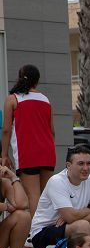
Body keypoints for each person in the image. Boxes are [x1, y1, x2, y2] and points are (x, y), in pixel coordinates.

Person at [29, 145, 90, 248]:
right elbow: (71, 217)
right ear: (68, 166)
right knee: (82, 225)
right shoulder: (57, 181)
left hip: (71, 227)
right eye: (81, 164)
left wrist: (73, 217)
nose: (86, 168)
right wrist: (87, 210)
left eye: (88, 163)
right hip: (43, 233)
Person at [2, 64, 56, 217]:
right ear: (37, 81)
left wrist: (4, 155)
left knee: (33, 194)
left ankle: (34, 231)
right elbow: (52, 130)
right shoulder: (45, 99)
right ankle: (45, 230)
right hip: (47, 151)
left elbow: (6, 129)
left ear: (19, 78)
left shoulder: (13, 99)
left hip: (28, 152)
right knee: (46, 195)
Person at [0, 164, 31, 248]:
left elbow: (22, 204)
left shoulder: (3, 183)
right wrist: (5, 206)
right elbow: (8, 206)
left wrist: (13, 178)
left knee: (23, 216)